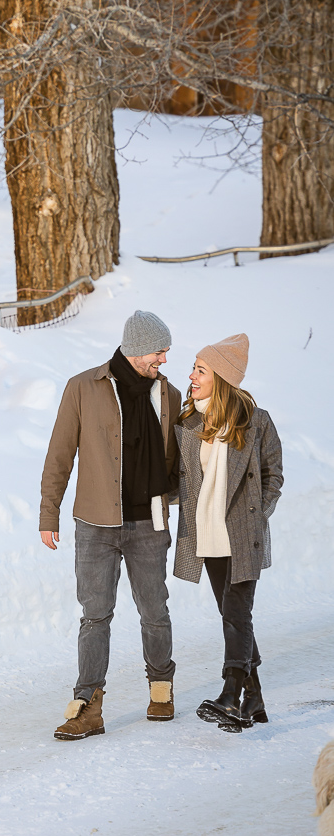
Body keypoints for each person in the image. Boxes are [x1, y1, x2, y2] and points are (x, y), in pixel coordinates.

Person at [40, 310, 182, 741]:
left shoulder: (169, 395)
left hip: (149, 523)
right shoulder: (84, 388)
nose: (164, 359)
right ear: (138, 347)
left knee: (154, 610)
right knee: (94, 615)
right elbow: (59, 455)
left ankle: (161, 687)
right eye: (159, 351)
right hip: (95, 524)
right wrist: (49, 514)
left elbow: (184, 457)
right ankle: (88, 705)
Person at [174, 333, 283, 732]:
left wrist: (259, 515)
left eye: (200, 370)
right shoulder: (189, 422)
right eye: (194, 368)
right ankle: (253, 701)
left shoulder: (256, 422)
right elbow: (181, 478)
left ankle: (231, 694)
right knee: (232, 614)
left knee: (237, 613)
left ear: (220, 377)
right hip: (206, 533)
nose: (191, 376)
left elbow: (274, 476)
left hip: (242, 534)